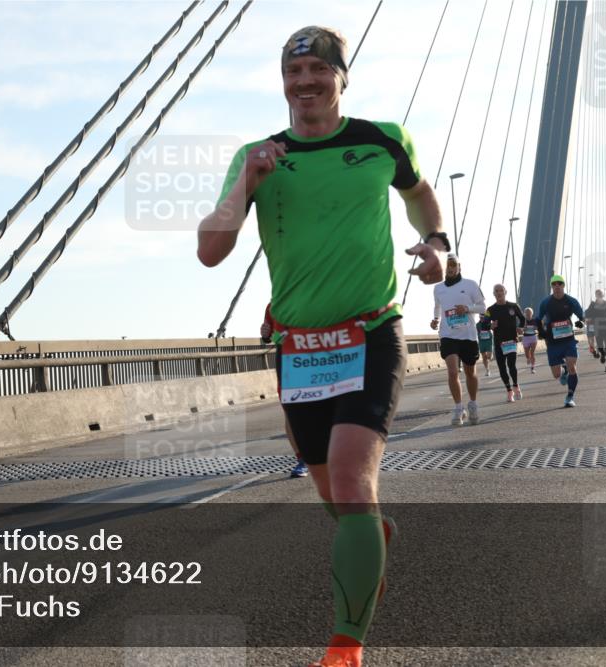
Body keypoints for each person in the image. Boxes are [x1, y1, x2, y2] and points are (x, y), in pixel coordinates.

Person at [197, 25, 446, 667]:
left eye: (318, 71)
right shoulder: (260, 154)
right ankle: (373, 539)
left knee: (350, 480)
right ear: (283, 81)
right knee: (337, 502)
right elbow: (209, 251)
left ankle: (345, 647)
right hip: (300, 349)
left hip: (370, 332)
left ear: (341, 77)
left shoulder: (382, 140)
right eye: (293, 72)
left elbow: (419, 195)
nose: (304, 83)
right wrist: (243, 184)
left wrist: (436, 244)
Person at [431, 254, 486, 425]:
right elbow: (438, 307)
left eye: (453, 265)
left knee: (470, 372)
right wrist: (436, 320)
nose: (451, 268)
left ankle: (473, 404)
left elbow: (483, 307)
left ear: (459, 267)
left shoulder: (470, 285)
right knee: (453, 371)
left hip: (468, 335)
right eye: (447, 265)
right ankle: (458, 407)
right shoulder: (438, 288)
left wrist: (468, 308)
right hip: (448, 335)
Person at [261, 303, 309, 478]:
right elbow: (269, 335)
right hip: (287, 360)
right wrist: (265, 335)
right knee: (291, 410)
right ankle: (302, 459)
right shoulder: (273, 305)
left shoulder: (318, 291)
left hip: (319, 358)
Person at [537, 275, 586, 407]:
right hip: (553, 343)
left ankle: (570, 396)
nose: (557, 286)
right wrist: (541, 331)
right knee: (556, 374)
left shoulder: (571, 301)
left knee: (572, 367)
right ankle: (563, 368)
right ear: (551, 287)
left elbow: (582, 316)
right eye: (554, 284)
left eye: (559, 284)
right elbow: (538, 318)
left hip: (568, 340)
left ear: (563, 285)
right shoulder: (545, 302)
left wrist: (581, 322)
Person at [482, 284, 525, 402]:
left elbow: (522, 318)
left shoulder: (513, 306)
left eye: (501, 290)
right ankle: (509, 391)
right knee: (502, 368)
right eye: (496, 291)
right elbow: (484, 324)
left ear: (505, 292)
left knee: (511, 365)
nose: (499, 292)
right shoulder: (490, 310)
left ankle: (516, 386)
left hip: (511, 340)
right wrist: (490, 325)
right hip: (498, 343)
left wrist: (520, 327)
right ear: (494, 294)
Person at [585, 289, 606, 372]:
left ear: (602, 295)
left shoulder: (605, 303)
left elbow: (587, 314)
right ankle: (603, 354)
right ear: (597, 296)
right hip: (600, 328)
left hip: (605, 328)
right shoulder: (594, 304)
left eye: (600, 294)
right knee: (601, 347)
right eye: (598, 294)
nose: (600, 295)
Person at [521, 307, 539, 374]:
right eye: (527, 313)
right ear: (525, 314)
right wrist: (524, 328)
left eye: (529, 313)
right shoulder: (523, 320)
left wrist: (535, 327)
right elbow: (521, 329)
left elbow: (537, 327)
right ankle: (528, 358)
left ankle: (532, 368)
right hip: (526, 338)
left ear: (532, 313)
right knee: (527, 354)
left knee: (532, 353)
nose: (528, 314)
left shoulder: (534, 320)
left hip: (533, 337)